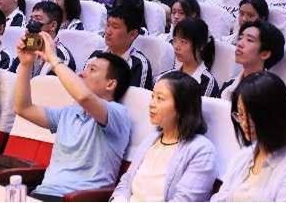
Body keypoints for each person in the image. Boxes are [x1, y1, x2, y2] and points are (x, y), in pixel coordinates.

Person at [14, 29, 133, 201]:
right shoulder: (70, 112)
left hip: (79, 199)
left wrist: (53, 59)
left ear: (110, 84)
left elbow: (84, 96)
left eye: (92, 69)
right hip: (41, 193)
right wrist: (26, 65)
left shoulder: (118, 114)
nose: (81, 73)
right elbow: (23, 108)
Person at [111, 72, 217, 202]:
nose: (151, 104)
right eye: (152, 97)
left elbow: (185, 200)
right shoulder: (151, 139)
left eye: (160, 98)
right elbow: (125, 183)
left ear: (182, 106)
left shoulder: (202, 150)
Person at [212, 71, 286, 201]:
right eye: (241, 114)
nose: (244, 123)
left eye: (251, 115)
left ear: (274, 115)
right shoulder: (243, 157)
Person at [90, 0, 153, 89]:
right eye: (108, 25)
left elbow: (134, 97)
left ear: (132, 34)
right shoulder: (96, 55)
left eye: (115, 27)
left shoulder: (138, 64)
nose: (108, 32)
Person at [220, 20, 285, 101]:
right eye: (240, 38)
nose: (239, 44)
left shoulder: (271, 92)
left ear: (265, 54)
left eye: (249, 40)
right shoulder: (229, 85)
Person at [10, 1, 76, 77]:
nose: (31, 24)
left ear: (53, 26)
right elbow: (10, 77)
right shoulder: (28, 46)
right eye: (31, 19)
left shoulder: (62, 59)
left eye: (37, 19)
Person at [161, 18, 219, 97]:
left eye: (183, 42)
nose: (176, 47)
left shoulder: (206, 83)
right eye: (174, 40)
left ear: (201, 46)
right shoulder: (167, 75)